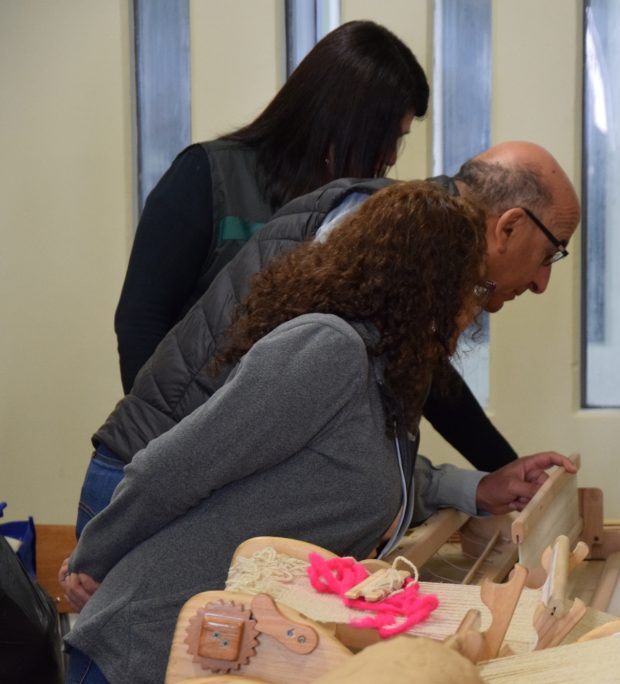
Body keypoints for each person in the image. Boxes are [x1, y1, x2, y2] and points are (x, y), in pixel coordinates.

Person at [59, 182, 577, 684]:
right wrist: (92, 562)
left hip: (226, 644)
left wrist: (478, 489)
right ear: (427, 284)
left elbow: (343, 476)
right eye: (472, 288)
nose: (474, 310)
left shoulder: (384, 367)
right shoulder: (328, 349)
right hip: (148, 640)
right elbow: (174, 468)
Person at [75, 140, 579, 537]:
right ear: (509, 227)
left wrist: (480, 484)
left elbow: (349, 454)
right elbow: (306, 450)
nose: (541, 282)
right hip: (148, 503)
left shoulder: (421, 259)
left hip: (187, 498)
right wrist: (103, 552)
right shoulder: (386, 250)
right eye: (551, 253)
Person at [115, 20, 429, 394]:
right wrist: (162, 428)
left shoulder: (358, 207)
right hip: (200, 421)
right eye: (386, 137)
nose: (391, 157)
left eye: (399, 140)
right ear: (342, 119)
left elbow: (399, 342)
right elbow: (141, 320)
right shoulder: (208, 176)